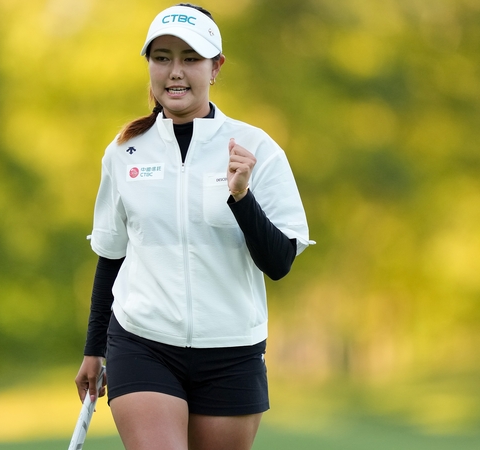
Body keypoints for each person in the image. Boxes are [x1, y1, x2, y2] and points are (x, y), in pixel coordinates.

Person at [74, 4, 312, 449]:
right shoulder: (124, 152)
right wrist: (94, 349)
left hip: (231, 351)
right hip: (143, 341)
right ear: (148, 65)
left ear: (216, 67)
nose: (175, 72)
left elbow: (278, 263)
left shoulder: (257, 148)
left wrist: (241, 197)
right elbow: (112, 255)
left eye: (190, 58)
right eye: (162, 57)